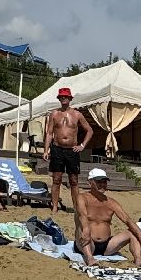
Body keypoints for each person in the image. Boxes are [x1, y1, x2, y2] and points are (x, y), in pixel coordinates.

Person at [76, 168, 141, 267]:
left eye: (104, 182)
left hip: (107, 245)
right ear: (90, 183)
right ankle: (90, 258)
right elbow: (82, 215)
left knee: (132, 232)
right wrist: (86, 229)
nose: (102, 185)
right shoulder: (82, 198)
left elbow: (127, 219)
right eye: (99, 182)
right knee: (82, 228)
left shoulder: (111, 202)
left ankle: (138, 259)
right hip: (87, 242)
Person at [43, 87, 94, 216]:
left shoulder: (77, 114)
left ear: (70, 99)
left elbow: (90, 130)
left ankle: (76, 206)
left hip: (72, 150)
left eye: (66, 97)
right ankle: (54, 206)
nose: (64, 98)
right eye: (61, 97)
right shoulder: (54, 114)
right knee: (56, 179)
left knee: (74, 180)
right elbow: (49, 133)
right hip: (57, 149)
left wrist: (82, 145)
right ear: (59, 99)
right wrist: (46, 150)